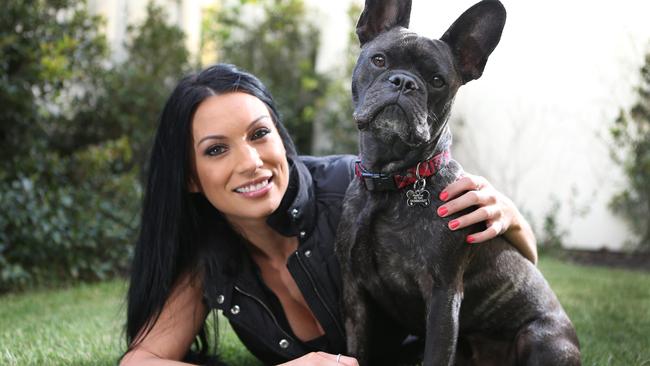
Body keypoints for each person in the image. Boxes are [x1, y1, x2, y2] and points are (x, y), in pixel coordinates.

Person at [119, 64, 537, 366]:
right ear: (190, 177)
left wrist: (512, 218)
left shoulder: (360, 188)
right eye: (216, 149)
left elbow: (514, 275)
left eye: (259, 134)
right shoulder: (212, 255)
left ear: (280, 137)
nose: (250, 161)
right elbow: (141, 360)